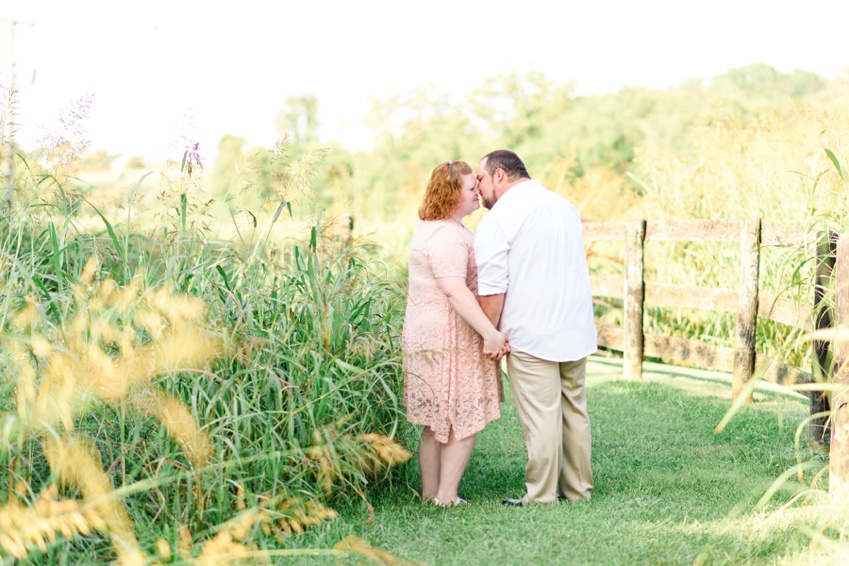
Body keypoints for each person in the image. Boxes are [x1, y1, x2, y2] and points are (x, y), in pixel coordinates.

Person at [474, 149, 597, 506]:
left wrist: (490, 334)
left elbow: (493, 285)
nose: (478, 189)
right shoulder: (564, 207)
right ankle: (577, 491)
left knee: (542, 417)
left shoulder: (500, 219)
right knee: (575, 412)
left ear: (499, 175)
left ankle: (541, 495)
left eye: (480, 179)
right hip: (574, 328)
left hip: (531, 332)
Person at [402, 160, 509, 507]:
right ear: (451, 195)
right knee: (463, 416)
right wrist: (490, 334)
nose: (477, 191)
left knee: (436, 420)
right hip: (449, 336)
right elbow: (455, 290)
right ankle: (446, 496)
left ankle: (431, 493)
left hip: (426, 333)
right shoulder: (448, 236)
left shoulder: (429, 229)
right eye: (469, 188)